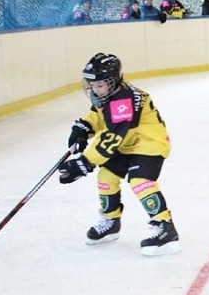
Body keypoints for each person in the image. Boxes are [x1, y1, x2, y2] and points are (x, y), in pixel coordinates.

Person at [58, 52, 181, 256]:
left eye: (99, 85)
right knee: (106, 176)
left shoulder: (124, 99)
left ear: (113, 81)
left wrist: (85, 162)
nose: (94, 90)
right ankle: (111, 221)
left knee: (140, 180)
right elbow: (100, 116)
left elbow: (112, 137)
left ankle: (165, 228)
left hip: (149, 144)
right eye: (92, 85)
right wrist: (84, 127)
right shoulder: (108, 95)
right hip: (127, 144)